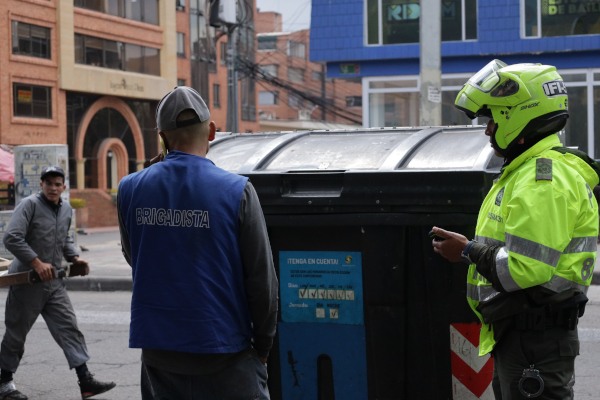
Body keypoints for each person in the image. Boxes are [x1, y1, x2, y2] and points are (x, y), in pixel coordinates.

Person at [432, 60, 599, 399]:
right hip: (524, 335)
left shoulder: (542, 181)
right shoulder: (525, 173)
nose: (488, 130)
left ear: (518, 115)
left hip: (535, 340)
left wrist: (466, 250)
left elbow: (525, 269)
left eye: (493, 118)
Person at [117, 86, 278, 399]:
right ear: (213, 131)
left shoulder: (129, 189)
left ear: (161, 136)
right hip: (226, 352)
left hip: (159, 355)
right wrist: (264, 344)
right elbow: (262, 280)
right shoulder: (238, 191)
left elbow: (135, 255)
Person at [0, 165, 116, 400]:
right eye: (48, 183)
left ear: (63, 187)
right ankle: (4, 383)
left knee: (69, 328)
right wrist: (36, 263)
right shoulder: (30, 205)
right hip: (27, 283)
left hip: (53, 284)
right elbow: (11, 237)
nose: (53, 188)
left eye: (57, 184)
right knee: (16, 334)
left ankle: (86, 382)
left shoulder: (66, 209)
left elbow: (65, 238)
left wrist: (74, 257)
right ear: (41, 185)